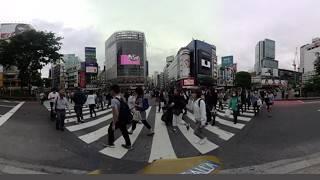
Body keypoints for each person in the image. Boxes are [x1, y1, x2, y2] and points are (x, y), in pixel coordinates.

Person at [105, 85, 132, 150]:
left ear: (113, 91)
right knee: (124, 130)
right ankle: (128, 144)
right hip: (124, 118)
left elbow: (115, 113)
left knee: (110, 129)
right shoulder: (122, 98)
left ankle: (111, 143)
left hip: (119, 119)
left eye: (110, 91)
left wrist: (114, 123)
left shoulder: (113, 100)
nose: (110, 92)